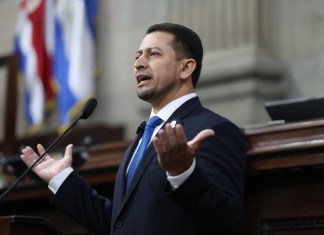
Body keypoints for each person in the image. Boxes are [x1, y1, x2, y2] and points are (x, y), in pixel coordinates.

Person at [21, 23, 246, 235]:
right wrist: (62, 179)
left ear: (186, 68)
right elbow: (120, 225)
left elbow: (228, 220)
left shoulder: (213, 129)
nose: (139, 63)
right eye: (138, 56)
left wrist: (184, 173)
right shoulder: (141, 139)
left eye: (153, 54)